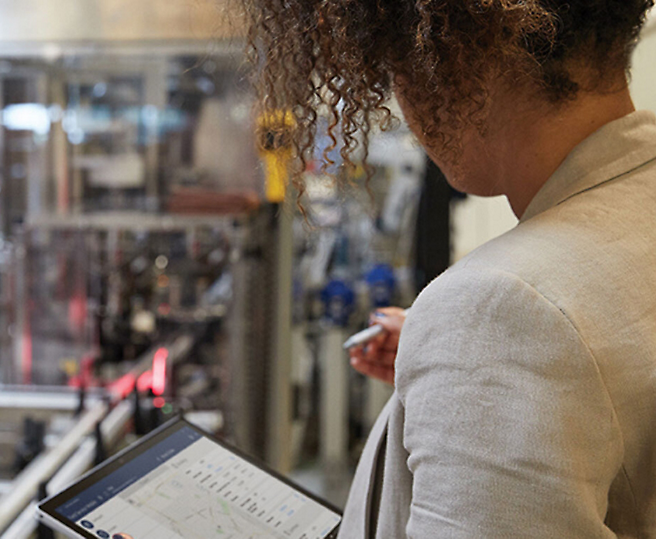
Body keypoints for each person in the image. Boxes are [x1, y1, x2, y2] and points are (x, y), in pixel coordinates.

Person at [240, 1, 656, 537]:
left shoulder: (500, 310)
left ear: (448, 54)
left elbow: (540, 324)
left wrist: (477, 350)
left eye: (395, 66)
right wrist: (463, 380)